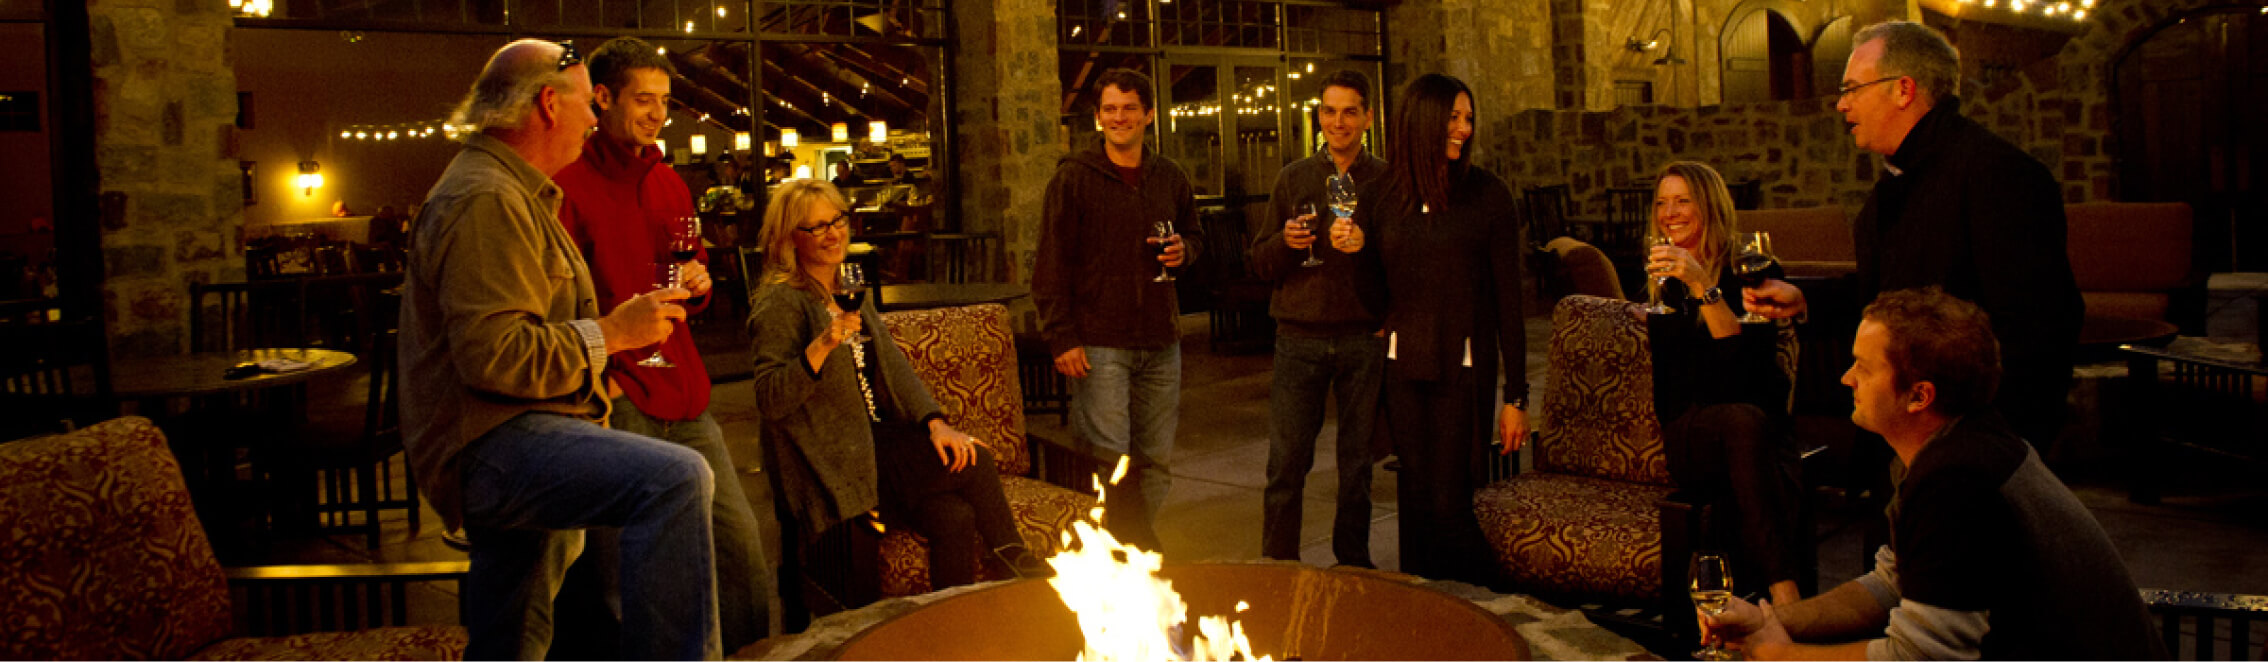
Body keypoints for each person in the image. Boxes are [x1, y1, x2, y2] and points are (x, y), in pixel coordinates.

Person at [397, 38, 717, 660]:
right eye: (586, 104)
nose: (596, 120)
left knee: (512, 629)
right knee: (675, 479)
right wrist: (614, 335)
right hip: (494, 441)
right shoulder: (487, 197)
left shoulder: (516, 189)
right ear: (548, 104)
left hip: (512, 428)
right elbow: (493, 355)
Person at [1701, 287, 2163, 660]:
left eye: (1863, 367)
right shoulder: (1952, 445)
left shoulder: (1956, 482)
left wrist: (1782, 656)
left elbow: (1921, 655)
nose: (1847, 379)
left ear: (1919, 396)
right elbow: (1891, 582)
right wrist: (1772, 622)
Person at [1742, 20, 2082, 448]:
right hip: (1913, 432)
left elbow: (2040, 325)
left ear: (1903, 89)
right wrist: (1806, 300)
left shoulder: (1997, 174)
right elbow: (1889, 296)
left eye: (1851, 89)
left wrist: (1984, 439)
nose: (1840, 105)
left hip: (1970, 441)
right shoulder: (1899, 181)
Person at [550, 35, 774, 656]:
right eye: (643, 100)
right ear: (601, 98)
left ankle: (755, 655)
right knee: (632, 574)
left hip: (683, 387)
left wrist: (699, 283)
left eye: (665, 102)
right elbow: (557, 308)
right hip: (618, 396)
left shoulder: (669, 183)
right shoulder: (565, 185)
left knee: (737, 549)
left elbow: (688, 273)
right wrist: (607, 381)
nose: (657, 115)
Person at [748, 179, 1052, 595]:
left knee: (955, 517)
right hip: (836, 458)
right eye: (815, 227)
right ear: (789, 239)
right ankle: (1014, 556)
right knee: (975, 460)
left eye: (835, 220)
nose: (832, 233)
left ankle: (951, 627)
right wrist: (822, 345)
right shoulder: (781, 302)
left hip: (879, 444)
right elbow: (770, 399)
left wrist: (935, 422)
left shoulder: (846, 286)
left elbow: (895, 368)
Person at [1349, 73, 1526, 585]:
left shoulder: (1487, 195)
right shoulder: (1383, 194)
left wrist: (1516, 395)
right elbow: (1372, 298)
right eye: (1453, 117)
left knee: (1450, 504)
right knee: (1420, 501)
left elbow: (1509, 302)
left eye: (1468, 118)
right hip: (1404, 364)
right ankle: (1435, 619)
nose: (1464, 129)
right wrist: (1356, 252)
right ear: (1422, 119)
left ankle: (1503, 608)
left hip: (1463, 366)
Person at [1034, 68, 1200, 551]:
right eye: (1110, 109)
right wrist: (1061, 336)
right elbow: (1049, 263)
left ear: (1148, 115)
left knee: (1155, 464)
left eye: (1129, 108)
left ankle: (1133, 555)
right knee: (1109, 461)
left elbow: (1196, 237)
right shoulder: (1073, 178)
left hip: (1161, 341)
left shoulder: (1170, 176)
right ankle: (1119, 558)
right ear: (1098, 117)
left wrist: (1185, 251)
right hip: (1099, 345)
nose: (1119, 117)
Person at [1641, 161, 1804, 606]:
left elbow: (1745, 371)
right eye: (1661, 203)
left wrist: (1702, 283)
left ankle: (1755, 604)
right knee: (1745, 422)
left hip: (1752, 424)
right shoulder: (1664, 280)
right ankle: (1785, 593)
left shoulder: (1753, 268)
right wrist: (1692, 281)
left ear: (1709, 205)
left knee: (1750, 425)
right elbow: (1681, 385)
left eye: (1681, 201)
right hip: (1691, 434)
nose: (1668, 213)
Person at [1248, 69, 1386, 568]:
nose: (1338, 121)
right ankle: (1277, 567)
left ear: (1367, 117)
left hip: (1361, 337)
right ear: (1319, 116)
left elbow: (1402, 263)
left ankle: (1352, 566)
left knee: (1356, 467)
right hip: (1298, 337)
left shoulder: (1385, 181)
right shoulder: (1294, 178)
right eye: (1329, 111)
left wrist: (1367, 250)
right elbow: (1260, 261)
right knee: (1285, 464)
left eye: (1350, 111)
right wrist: (1285, 245)